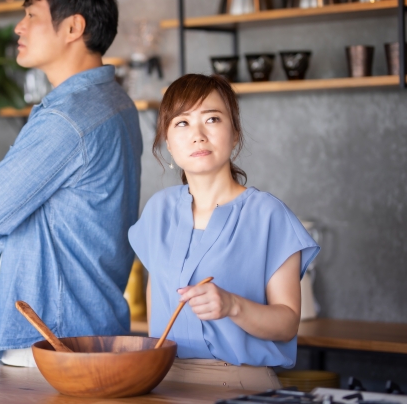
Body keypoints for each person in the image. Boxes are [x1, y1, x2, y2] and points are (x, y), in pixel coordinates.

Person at [0, 0, 142, 367]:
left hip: (52, 341)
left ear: (72, 27)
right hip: (85, 331)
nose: (19, 27)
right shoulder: (116, 101)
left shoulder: (68, 118)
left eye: (31, 15)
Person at [128, 74, 319, 390]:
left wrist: (233, 306)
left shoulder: (269, 215)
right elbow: (155, 298)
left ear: (234, 134)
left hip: (240, 385)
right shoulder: (157, 211)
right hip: (162, 381)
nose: (198, 135)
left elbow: (287, 324)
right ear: (167, 142)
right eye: (182, 123)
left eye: (212, 119)